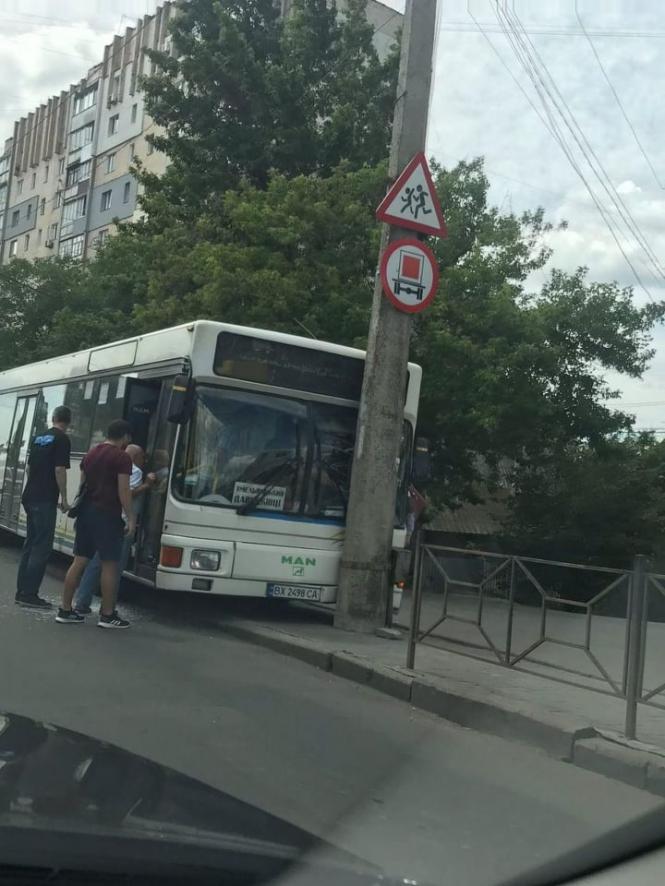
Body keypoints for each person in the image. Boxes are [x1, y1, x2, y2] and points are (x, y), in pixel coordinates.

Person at [56, 419, 134, 629]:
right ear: (125, 436)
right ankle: (107, 615)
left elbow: (83, 484)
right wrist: (130, 517)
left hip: (86, 513)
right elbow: (123, 490)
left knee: (79, 561)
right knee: (109, 564)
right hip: (107, 515)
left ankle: (65, 609)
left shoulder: (90, 454)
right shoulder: (122, 458)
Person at [73, 444, 155, 615]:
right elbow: (127, 492)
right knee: (112, 567)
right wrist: (146, 485)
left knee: (92, 563)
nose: (144, 461)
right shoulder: (134, 470)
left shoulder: (104, 462)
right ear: (135, 457)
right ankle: (107, 610)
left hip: (97, 518)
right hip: (120, 524)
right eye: (142, 457)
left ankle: (82, 602)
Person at [15, 405, 72, 610]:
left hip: (30, 496)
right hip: (44, 500)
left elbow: (30, 467)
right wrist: (64, 498)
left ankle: (21, 590)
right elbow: (59, 470)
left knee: (30, 544)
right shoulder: (62, 439)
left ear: (53, 418)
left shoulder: (39, 438)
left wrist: (36, 485)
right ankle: (30, 594)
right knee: (41, 547)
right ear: (68, 421)